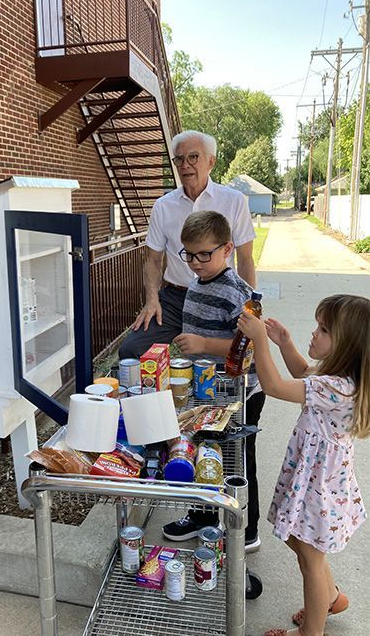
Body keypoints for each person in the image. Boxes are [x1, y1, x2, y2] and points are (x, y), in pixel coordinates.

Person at [237, 294, 369, 636]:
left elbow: (275, 386)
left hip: (317, 483)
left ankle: (311, 632)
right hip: (317, 478)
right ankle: (332, 598)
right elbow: (303, 373)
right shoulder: (337, 379)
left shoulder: (336, 388)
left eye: (323, 329)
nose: (315, 333)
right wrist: (285, 343)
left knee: (310, 558)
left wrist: (260, 341)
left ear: (347, 346)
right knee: (302, 543)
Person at [160, 210, 265, 553]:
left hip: (239, 392)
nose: (195, 262)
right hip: (209, 389)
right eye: (188, 254)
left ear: (228, 249)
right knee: (205, 452)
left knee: (237, 461)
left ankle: (245, 529)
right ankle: (203, 518)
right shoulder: (198, 281)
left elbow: (249, 346)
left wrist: (203, 344)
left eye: (204, 254)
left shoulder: (237, 292)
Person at [118, 130, 256, 360]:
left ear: (211, 161)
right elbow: (152, 260)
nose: (185, 165)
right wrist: (152, 300)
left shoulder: (234, 201)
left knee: (234, 354)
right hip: (174, 299)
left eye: (193, 157)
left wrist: (250, 305)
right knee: (130, 350)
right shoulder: (163, 206)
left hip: (219, 298)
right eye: (179, 159)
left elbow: (245, 258)